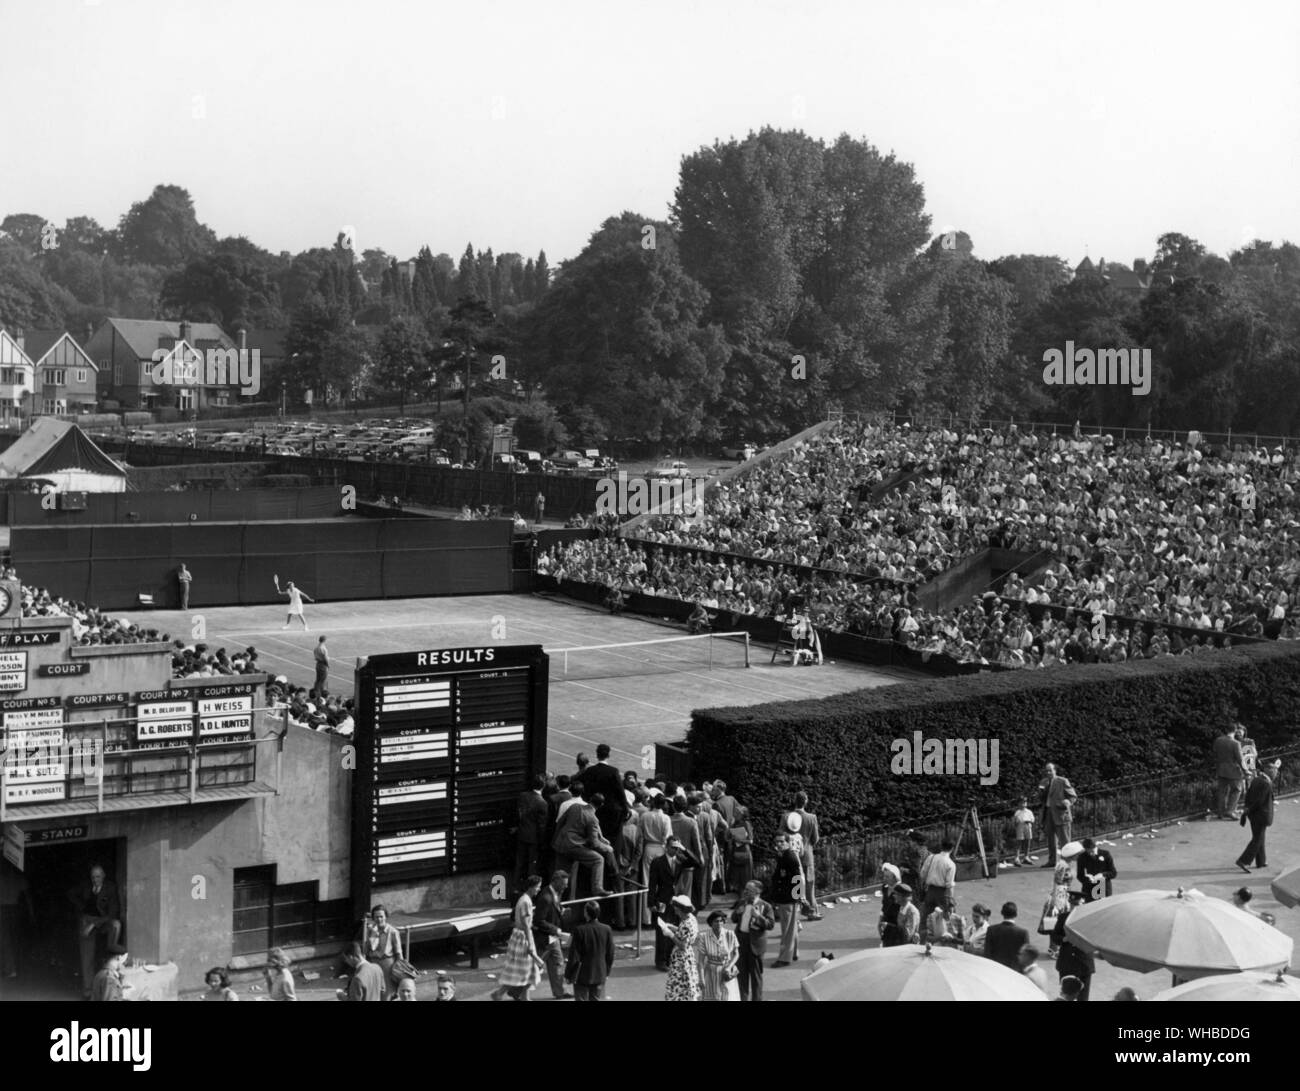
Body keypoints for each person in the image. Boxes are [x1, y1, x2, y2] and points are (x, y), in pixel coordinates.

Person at [69, 863, 122, 999]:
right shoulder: (86, 885)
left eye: (98, 876)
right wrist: (81, 908)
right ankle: (88, 991)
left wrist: (94, 924)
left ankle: (110, 981)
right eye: (93, 877)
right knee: (87, 954)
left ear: (103, 876)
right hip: (87, 919)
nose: (95, 880)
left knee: (116, 925)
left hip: (103, 921)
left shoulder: (110, 887)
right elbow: (70, 894)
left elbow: (113, 913)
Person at [490, 875, 546, 1001]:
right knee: (520, 971)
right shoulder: (526, 901)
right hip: (523, 937)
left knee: (528, 971)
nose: (538, 889)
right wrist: (530, 944)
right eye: (537, 887)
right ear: (531, 887)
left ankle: (525, 997)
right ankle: (499, 993)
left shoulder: (524, 899)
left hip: (520, 935)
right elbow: (526, 925)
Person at [650, 837, 701, 970]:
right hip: (662, 899)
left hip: (677, 900)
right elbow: (652, 884)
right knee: (662, 930)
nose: (675, 850)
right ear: (666, 847)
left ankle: (669, 958)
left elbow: (697, 863)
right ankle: (660, 961)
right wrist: (651, 902)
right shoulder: (657, 862)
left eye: (677, 848)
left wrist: (684, 849)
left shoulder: (680, 860)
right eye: (673, 847)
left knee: (676, 929)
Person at [730, 880, 776, 1002]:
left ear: (758, 892)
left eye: (749, 890)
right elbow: (734, 919)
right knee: (741, 977)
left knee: (756, 978)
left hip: (755, 945)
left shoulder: (766, 906)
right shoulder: (741, 902)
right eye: (745, 889)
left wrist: (758, 917)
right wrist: (737, 912)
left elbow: (770, 925)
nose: (745, 892)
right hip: (741, 942)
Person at [531, 870, 572, 1000]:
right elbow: (539, 920)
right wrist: (556, 930)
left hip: (550, 938)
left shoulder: (555, 893)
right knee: (550, 964)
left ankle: (559, 992)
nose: (566, 886)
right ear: (555, 882)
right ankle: (514, 990)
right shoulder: (545, 898)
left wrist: (561, 910)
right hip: (546, 938)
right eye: (563, 884)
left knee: (551, 964)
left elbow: (553, 909)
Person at [565, 900, 614, 1001]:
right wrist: (607, 972)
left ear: (586, 913)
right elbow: (610, 954)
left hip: (582, 975)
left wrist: (568, 974)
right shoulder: (607, 929)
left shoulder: (579, 930)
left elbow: (574, 955)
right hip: (600, 973)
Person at [1236, 758, 1278, 873]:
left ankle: (1261, 861)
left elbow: (1249, 795)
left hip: (1253, 815)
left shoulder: (1257, 779)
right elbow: (1260, 801)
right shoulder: (1266, 783)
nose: (1276, 774)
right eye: (1275, 772)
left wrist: (1247, 809)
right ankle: (1243, 860)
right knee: (1257, 839)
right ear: (1270, 772)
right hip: (1261, 815)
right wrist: (1249, 809)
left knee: (1260, 837)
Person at [770, 832, 806, 966]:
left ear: (788, 842)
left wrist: (798, 898)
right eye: (776, 842)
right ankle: (794, 953)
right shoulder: (784, 856)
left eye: (781, 842)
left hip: (788, 899)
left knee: (787, 931)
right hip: (786, 897)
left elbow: (798, 877)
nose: (778, 844)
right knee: (792, 929)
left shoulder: (789, 856)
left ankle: (784, 958)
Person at [787, 792, 822, 920]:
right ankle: (812, 912)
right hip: (807, 856)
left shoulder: (787, 817)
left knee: (795, 887)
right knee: (809, 886)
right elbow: (816, 838)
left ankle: (794, 917)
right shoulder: (811, 818)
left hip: (791, 856)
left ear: (794, 800)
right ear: (806, 802)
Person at [661, 895, 701, 1001]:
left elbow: (683, 945)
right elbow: (682, 932)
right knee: (684, 986)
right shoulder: (690, 918)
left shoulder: (687, 923)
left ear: (681, 909)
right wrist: (671, 927)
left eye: (676, 909)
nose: (675, 911)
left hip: (682, 959)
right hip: (686, 956)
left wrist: (670, 934)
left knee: (680, 987)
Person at [1039, 763, 1078, 867]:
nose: (1048, 772)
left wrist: (1067, 802)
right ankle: (1052, 861)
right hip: (1048, 813)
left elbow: (1073, 796)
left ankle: (1066, 861)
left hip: (1061, 813)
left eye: (1050, 770)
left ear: (1055, 771)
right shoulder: (1044, 782)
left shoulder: (1062, 781)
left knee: (1064, 840)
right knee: (1051, 840)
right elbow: (1042, 798)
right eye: (1046, 771)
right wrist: (1041, 792)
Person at [515, 774, 550, 889]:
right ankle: (530, 890)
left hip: (521, 834)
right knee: (532, 866)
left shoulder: (522, 796)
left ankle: (516, 888)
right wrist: (542, 842)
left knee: (519, 864)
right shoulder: (542, 803)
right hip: (533, 838)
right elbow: (541, 826)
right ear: (543, 786)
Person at [359, 905, 402, 995]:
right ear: (373, 918)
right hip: (373, 964)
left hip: (387, 965)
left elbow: (398, 953)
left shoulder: (393, 931)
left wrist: (398, 970)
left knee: (387, 993)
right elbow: (365, 950)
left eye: (381, 916)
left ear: (385, 917)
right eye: (376, 917)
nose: (379, 919)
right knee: (373, 992)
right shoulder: (371, 930)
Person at [697, 910, 740, 1001]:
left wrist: (729, 966)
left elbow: (736, 954)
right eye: (716, 921)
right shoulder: (704, 936)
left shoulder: (730, 934)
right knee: (711, 997)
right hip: (711, 973)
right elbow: (700, 961)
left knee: (727, 997)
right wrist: (701, 978)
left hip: (726, 973)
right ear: (711, 923)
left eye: (721, 921)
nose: (719, 923)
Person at [0, 858, 32, 979]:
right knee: (13, 938)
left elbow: (27, 896)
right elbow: (27, 896)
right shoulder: (17, 877)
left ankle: (11, 968)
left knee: (5, 940)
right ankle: (13, 967)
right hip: (14, 908)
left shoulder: (6, 877)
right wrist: (31, 912)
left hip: (4, 909)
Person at [919, 838, 956, 937]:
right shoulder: (951, 864)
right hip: (942, 893)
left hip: (930, 890)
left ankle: (922, 938)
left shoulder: (931, 858)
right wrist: (951, 901)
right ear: (952, 849)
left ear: (941, 846)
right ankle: (942, 938)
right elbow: (949, 885)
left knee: (926, 916)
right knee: (945, 917)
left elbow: (922, 874)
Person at [1213, 724, 1247, 819]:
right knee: (1236, 790)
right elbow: (1240, 760)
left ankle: (1220, 812)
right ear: (1235, 731)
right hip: (1233, 771)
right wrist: (1246, 770)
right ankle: (1230, 811)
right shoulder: (1236, 743)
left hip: (1221, 769)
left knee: (1222, 791)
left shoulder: (1218, 740)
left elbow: (1215, 752)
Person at [985, 901, 1030, 969]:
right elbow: (1026, 956)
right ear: (1016, 914)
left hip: (995, 969)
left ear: (1002, 913)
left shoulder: (991, 930)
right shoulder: (1023, 933)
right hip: (1014, 971)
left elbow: (987, 953)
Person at [726, 804, 754, 893]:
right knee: (736, 878)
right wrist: (729, 826)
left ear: (742, 814)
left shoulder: (746, 824)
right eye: (734, 812)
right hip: (735, 851)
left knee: (745, 877)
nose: (734, 814)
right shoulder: (734, 824)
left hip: (744, 852)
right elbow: (727, 837)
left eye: (737, 813)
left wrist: (740, 840)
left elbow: (750, 840)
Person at [1012, 798, 1036, 865]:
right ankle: (1017, 858)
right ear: (1019, 804)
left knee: (1027, 841)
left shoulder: (1029, 812)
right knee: (1019, 842)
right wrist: (1016, 823)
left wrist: (1029, 821)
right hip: (1020, 826)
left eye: (1024, 803)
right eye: (1021, 803)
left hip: (1028, 826)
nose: (1023, 804)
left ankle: (1026, 857)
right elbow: (1015, 821)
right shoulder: (1017, 812)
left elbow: (1033, 820)